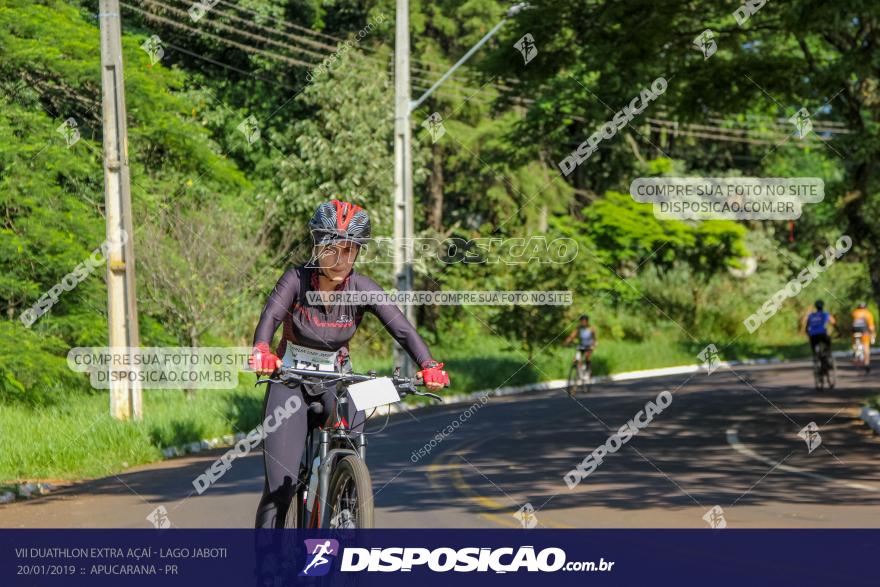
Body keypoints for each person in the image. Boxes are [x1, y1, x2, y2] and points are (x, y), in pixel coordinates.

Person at [249, 199, 450, 528]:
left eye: (350, 249)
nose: (341, 259)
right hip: (290, 380)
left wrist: (428, 365)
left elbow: (402, 329)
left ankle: (345, 507)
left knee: (352, 448)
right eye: (333, 249)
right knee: (280, 487)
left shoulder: (363, 288)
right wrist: (261, 350)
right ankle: (267, 568)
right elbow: (270, 317)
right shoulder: (295, 280)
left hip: (338, 381)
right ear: (317, 247)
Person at [805, 300, 835, 367]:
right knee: (828, 342)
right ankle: (828, 357)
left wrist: (809, 335)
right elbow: (833, 322)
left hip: (813, 336)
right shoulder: (825, 314)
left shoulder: (811, 315)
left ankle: (816, 360)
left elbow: (806, 328)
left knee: (814, 348)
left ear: (816, 306)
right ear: (823, 306)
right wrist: (839, 331)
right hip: (822, 334)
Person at [851, 302, 876, 372]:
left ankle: (856, 357)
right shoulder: (868, 313)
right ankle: (866, 364)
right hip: (865, 333)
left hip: (855, 333)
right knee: (866, 347)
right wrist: (873, 334)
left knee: (855, 346)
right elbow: (871, 327)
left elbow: (851, 324)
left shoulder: (854, 313)